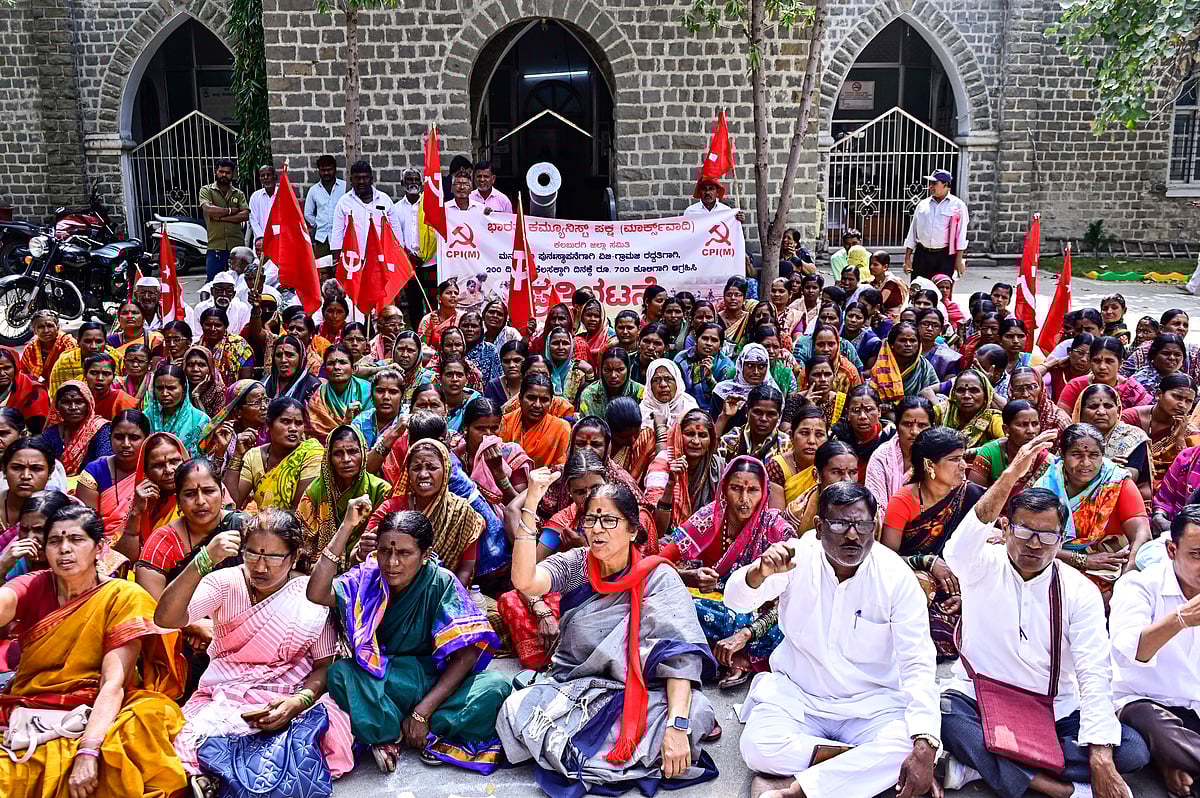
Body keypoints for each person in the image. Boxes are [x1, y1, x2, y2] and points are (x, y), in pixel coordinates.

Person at [938, 431, 1151, 798]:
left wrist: (1100, 757)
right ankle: (1058, 788)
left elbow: (1094, 671)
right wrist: (1009, 477)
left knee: (1131, 750)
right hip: (982, 696)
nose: (1034, 544)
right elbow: (958, 547)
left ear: (1062, 536)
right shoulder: (980, 565)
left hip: (1055, 709)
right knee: (946, 719)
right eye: (1023, 531)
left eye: (1048, 535)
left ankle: (981, 766)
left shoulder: (1079, 590)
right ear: (1005, 530)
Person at [502, 473, 719, 791]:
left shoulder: (659, 578)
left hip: (645, 693)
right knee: (515, 707)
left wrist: (676, 724)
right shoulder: (577, 565)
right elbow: (525, 581)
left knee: (696, 712)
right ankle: (624, 762)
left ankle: (580, 759)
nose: (597, 529)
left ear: (633, 530)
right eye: (590, 519)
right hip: (579, 690)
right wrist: (531, 501)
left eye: (609, 520)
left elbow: (680, 659)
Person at [726, 481, 939, 798]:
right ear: (819, 525)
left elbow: (917, 663)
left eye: (862, 524)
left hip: (871, 706)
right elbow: (736, 601)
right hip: (800, 696)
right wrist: (759, 573)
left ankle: (797, 790)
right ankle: (863, 766)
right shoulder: (796, 557)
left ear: (875, 525)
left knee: (913, 742)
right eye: (840, 524)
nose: (853, 535)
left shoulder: (896, 577)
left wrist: (923, 744)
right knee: (759, 747)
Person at [0, 505, 188, 796]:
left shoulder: (122, 596)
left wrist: (88, 750)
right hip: (33, 704)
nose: (64, 549)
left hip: (98, 704)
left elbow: (113, 683)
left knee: (145, 722)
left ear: (99, 548)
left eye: (76, 540)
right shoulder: (34, 585)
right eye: (55, 541)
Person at [307, 505, 511, 774]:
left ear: (425, 555)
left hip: (432, 682)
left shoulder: (441, 582)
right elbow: (317, 593)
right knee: (340, 674)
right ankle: (402, 732)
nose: (392, 562)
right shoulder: (367, 578)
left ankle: (399, 728)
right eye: (385, 551)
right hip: (384, 679)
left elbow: (467, 654)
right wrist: (346, 528)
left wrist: (423, 711)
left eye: (404, 553)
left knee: (495, 686)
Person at [666, 456, 796, 688]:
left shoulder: (776, 529)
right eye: (736, 489)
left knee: (790, 624)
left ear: (764, 491)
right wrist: (689, 577)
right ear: (724, 488)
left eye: (753, 490)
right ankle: (730, 657)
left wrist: (745, 633)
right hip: (712, 605)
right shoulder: (709, 518)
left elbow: (790, 599)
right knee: (674, 604)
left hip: (760, 617)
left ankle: (737, 657)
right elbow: (661, 561)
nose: (744, 500)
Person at [1109, 504, 1200, 798]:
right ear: (1172, 550)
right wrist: (1180, 619)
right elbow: (1129, 651)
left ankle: (1173, 760)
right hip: (1143, 701)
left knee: (1176, 743)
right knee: (1157, 727)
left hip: (1194, 707)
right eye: (1196, 555)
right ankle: (1171, 755)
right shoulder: (1138, 586)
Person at [882, 427, 984, 659]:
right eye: (954, 460)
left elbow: (986, 547)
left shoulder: (972, 496)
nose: (964, 466)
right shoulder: (904, 501)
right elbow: (886, 560)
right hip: (918, 584)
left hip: (961, 583)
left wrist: (965, 591)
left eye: (963, 458)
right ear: (929, 466)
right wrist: (927, 561)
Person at [1036, 423, 1151, 596]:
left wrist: (1125, 582)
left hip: (1110, 567)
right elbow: (1034, 540)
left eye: (1094, 455)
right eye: (1076, 455)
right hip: (1056, 562)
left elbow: (1142, 535)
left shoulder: (1116, 482)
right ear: (1062, 454)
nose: (1086, 463)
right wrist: (1083, 560)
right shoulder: (1048, 486)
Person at [296, 424, 391, 571]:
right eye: (338, 453)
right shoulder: (315, 491)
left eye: (353, 452)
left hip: (366, 568)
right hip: (319, 569)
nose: (346, 459)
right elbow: (303, 541)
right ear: (328, 457)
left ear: (364, 454)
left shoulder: (380, 490)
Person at [227, 396, 323, 512]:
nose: (293, 428)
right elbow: (230, 505)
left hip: (294, 527)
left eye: (298, 423)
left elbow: (300, 512)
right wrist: (237, 455)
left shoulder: (311, 453)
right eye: (285, 421)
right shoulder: (254, 456)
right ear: (268, 424)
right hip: (263, 524)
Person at [75, 408, 150, 547]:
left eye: (134, 438)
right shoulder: (96, 471)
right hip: (101, 547)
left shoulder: (153, 471)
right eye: (119, 437)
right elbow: (88, 526)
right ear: (110, 438)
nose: (126, 444)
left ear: (146, 439)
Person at [1123, 373, 1200, 493]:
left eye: (1188, 401)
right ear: (1159, 394)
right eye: (1177, 397)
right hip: (1130, 479)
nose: (1182, 405)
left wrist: (1179, 438)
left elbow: (1190, 471)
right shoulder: (1130, 419)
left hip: (1168, 487)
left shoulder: (1189, 432)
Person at [968, 399, 1053, 498]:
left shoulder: (1045, 459)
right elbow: (973, 495)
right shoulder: (991, 452)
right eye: (1023, 425)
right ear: (1006, 429)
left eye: (1035, 424)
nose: (1031, 431)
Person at [1076, 383, 1152, 492]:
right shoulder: (1073, 437)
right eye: (1093, 406)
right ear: (1081, 412)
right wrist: (1108, 467)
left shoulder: (1133, 436)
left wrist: (1102, 468)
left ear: (1118, 410)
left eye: (1108, 406)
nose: (1101, 412)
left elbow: (1128, 478)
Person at [865, 396, 934, 511]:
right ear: (897, 426)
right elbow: (876, 506)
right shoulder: (882, 457)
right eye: (907, 424)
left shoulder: (940, 457)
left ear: (932, 427)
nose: (914, 432)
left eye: (922, 425)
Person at [330, 160, 403, 262]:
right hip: (353, 262)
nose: (361, 182)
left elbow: (396, 231)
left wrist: (399, 257)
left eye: (365, 178)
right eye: (357, 178)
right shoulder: (344, 202)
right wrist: (336, 262)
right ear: (351, 180)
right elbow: (337, 235)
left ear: (371, 179)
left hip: (381, 261)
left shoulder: (384, 200)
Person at [1058, 336, 1153, 414]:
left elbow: (1143, 420)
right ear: (1090, 362)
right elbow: (1062, 419)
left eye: (1109, 361)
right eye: (1097, 361)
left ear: (1121, 363)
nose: (1102, 367)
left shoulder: (1132, 390)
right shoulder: (1076, 386)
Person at [903, 167, 968, 279]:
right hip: (922, 254)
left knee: (942, 290)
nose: (931, 186)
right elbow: (912, 232)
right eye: (930, 183)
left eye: (935, 183)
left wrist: (958, 261)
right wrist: (907, 258)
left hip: (944, 255)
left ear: (946, 185)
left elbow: (961, 235)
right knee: (919, 289)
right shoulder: (922, 205)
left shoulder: (958, 206)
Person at [41, 380, 111, 478]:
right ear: (56, 406)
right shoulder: (51, 433)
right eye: (66, 402)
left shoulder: (101, 429)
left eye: (79, 402)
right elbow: (41, 465)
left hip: (92, 485)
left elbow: (104, 465)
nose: (73, 407)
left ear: (88, 405)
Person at [499, 374, 571, 469]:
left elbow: (562, 469)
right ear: (520, 398)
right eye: (531, 398)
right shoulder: (505, 423)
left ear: (550, 402)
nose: (537, 405)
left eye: (544, 400)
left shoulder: (561, 429)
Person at [307, 343, 373, 444]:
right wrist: (345, 422)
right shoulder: (318, 398)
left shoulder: (368, 392)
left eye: (343, 362)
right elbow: (314, 436)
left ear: (353, 368)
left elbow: (373, 429)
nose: (337, 367)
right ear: (324, 370)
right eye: (331, 363)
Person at [766, 402, 827, 509]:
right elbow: (776, 517)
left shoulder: (830, 464)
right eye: (804, 433)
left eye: (819, 435)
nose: (812, 441)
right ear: (791, 436)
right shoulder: (778, 466)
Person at [144, 363, 210, 458]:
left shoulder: (200, 420)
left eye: (171, 388)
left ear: (183, 388)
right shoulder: (146, 417)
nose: (165, 393)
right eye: (159, 388)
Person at [831, 384, 896, 481]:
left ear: (879, 412)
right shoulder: (837, 438)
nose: (862, 416)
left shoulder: (891, 438)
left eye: (869, 410)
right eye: (856, 410)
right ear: (848, 413)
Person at [199, 157, 249, 280]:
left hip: (237, 247)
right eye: (221, 172)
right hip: (216, 246)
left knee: (239, 280)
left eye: (228, 173)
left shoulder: (238, 194)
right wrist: (231, 211)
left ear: (232, 174)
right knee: (214, 282)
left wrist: (221, 218)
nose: (224, 175)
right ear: (216, 171)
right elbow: (209, 210)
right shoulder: (207, 190)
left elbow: (245, 215)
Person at [47, 321, 123, 401]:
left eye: (99, 341)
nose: (93, 346)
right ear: (78, 342)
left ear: (106, 342)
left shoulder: (116, 358)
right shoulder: (65, 362)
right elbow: (56, 397)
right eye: (87, 341)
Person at [871, 322, 939, 407]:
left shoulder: (924, 367)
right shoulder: (882, 367)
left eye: (912, 341)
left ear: (919, 344)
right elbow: (872, 397)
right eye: (902, 340)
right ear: (892, 344)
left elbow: (936, 391)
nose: (908, 344)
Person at [717, 383, 788, 462]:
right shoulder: (734, 437)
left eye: (771, 414)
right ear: (747, 411)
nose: (763, 419)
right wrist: (723, 417)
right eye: (757, 412)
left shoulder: (785, 444)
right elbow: (711, 461)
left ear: (779, 416)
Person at [196, 305, 255, 384]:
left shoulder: (240, 346)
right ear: (202, 325)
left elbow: (245, 381)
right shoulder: (197, 348)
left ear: (226, 326)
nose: (213, 329)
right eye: (208, 325)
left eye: (218, 325)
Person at [579, 345, 643, 417]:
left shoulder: (640, 392)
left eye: (620, 370)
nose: (613, 375)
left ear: (628, 370)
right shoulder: (590, 394)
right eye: (607, 370)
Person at [18, 309, 76, 386]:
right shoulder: (31, 349)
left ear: (57, 328)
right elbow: (23, 374)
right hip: (45, 385)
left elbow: (75, 371)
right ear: (34, 331)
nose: (46, 330)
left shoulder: (68, 343)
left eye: (50, 326)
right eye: (41, 327)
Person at [303, 154, 346, 259]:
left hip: (342, 237)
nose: (326, 173)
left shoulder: (345, 187)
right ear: (319, 170)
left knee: (340, 269)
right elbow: (307, 213)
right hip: (322, 238)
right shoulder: (314, 190)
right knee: (323, 270)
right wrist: (317, 224)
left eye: (329, 169)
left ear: (335, 169)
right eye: (323, 170)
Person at [350, 366, 404, 448]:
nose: (386, 397)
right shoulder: (360, 422)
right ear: (371, 395)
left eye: (393, 392)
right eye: (380, 391)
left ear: (402, 397)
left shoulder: (407, 422)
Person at [0, 346, 49, 433]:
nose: (2, 373)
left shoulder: (34, 390)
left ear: (15, 368)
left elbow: (38, 430)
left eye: (7, 368)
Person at [264, 334, 322, 404]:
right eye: (278, 355)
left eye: (290, 355)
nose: (283, 360)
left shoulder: (313, 387)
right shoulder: (265, 383)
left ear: (301, 359)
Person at [181, 345, 226, 419]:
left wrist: (196, 396)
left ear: (210, 368)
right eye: (190, 364)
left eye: (201, 365)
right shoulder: (180, 388)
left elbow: (211, 427)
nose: (195, 369)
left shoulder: (219, 392)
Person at [417, 279, 462, 350]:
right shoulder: (427, 319)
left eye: (456, 293)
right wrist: (430, 329)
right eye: (448, 293)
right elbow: (421, 345)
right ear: (439, 298)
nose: (453, 295)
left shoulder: (462, 318)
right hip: (433, 357)